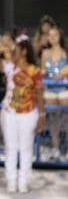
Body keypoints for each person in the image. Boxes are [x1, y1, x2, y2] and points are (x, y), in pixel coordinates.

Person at [0, 40, 45, 193]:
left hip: (28, 113)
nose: (13, 51)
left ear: (24, 51)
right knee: (10, 147)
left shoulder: (34, 70)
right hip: (9, 113)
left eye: (16, 49)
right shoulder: (10, 66)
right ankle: (11, 179)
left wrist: (42, 115)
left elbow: (39, 93)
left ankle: (23, 180)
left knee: (26, 147)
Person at [40, 26, 68, 161]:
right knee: (53, 119)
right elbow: (43, 69)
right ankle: (56, 148)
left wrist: (62, 74)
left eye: (55, 34)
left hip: (64, 88)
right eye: (50, 35)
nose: (52, 37)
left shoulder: (65, 51)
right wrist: (43, 72)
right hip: (50, 88)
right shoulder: (46, 53)